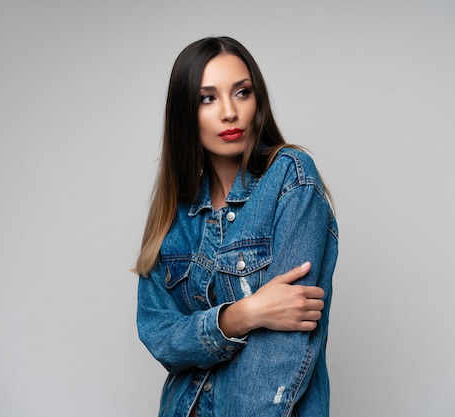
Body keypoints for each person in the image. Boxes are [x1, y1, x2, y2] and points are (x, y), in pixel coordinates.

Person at [134, 36, 338, 417]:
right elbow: (159, 335)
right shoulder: (174, 213)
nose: (230, 112)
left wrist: (206, 329)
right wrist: (242, 315)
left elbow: (284, 344)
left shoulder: (292, 178)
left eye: (241, 93)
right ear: (185, 114)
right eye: (207, 98)